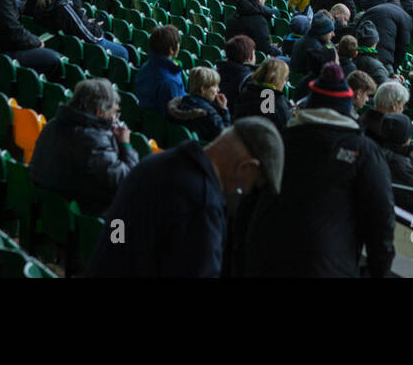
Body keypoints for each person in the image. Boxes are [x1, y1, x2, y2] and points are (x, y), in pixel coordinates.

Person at [240, 63, 394, 277]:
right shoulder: (364, 152)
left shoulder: (279, 137)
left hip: (265, 254)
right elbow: (381, 222)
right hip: (326, 265)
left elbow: (248, 203)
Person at [89, 116, 281, 277]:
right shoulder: (201, 204)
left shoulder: (156, 162)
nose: (245, 191)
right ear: (246, 166)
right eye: (253, 183)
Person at [30, 77, 138, 216]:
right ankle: (118, 239)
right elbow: (128, 181)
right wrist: (125, 145)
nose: (115, 119)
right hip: (79, 218)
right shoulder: (94, 142)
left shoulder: (52, 124)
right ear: (100, 112)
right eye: (114, 113)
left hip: (45, 209)